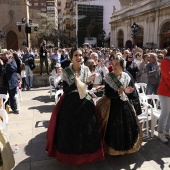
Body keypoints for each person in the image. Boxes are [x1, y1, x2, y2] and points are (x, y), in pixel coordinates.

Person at [46, 48, 104, 165]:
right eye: (76, 55)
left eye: (80, 55)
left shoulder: (86, 69)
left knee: (88, 127)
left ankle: (87, 155)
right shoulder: (67, 71)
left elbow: (87, 86)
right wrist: (76, 83)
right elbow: (66, 90)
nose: (79, 57)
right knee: (70, 128)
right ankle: (70, 156)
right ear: (72, 57)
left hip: (84, 101)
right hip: (70, 101)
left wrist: (87, 81)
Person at [96, 55, 142, 156]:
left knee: (128, 126)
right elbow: (108, 93)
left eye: (117, 64)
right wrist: (122, 91)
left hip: (125, 104)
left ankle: (126, 148)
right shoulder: (109, 77)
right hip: (112, 104)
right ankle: (114, 149)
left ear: (122, 66)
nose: (114, 66)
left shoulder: (126, 76)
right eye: (113, 64)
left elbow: (131, 92)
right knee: (113, 127)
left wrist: (129, 93)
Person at [0, 49, 19, 114]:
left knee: (12, 96)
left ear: (8, 54)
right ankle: (4, 109)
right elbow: (1, 73)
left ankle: (14, 108)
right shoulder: (1, 62)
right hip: (3, 83)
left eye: (5, 54)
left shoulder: (12, 61)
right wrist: (2, 65)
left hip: (11, 82)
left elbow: (14, 69)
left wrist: (8, 64)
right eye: (2, 55)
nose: (3, 56)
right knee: (3, 97)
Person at [157, 56, 170, 143]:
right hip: (164, 91)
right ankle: (160, 132)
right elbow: (167, 76)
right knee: (165, 112)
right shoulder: (166, 61)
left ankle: (166, 130)